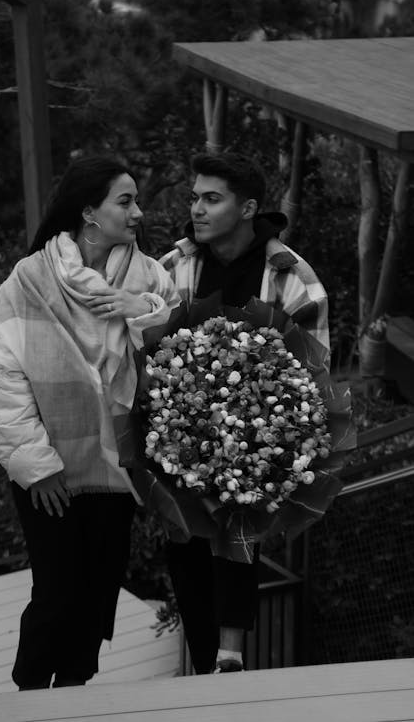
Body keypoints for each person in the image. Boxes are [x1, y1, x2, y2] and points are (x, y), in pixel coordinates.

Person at [0, 156, 180, 690]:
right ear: (88, 212)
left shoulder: (152, 277)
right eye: (125, 200)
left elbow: (182, 350)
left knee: (99, 587)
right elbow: (1, 378)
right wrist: (37, 467)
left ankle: (73, 690)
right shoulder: (30, 279)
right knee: (57, 588)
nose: (138, 211)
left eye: (136, 201)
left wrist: (141, 307)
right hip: (52, 468)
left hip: (118, 463)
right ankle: (28, 690)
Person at [159, 151, 329, 675]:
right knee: (185, 544)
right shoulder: (175, 266)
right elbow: (146, 348)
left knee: (240, 525)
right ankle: (206, 659)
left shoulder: (292, 276)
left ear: (249, 207)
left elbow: (313, 371)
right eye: (194, 198)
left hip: (260, 432)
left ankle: (229, 656)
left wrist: (276, 434)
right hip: (180, 426)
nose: (198, 210)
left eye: (212, 199)